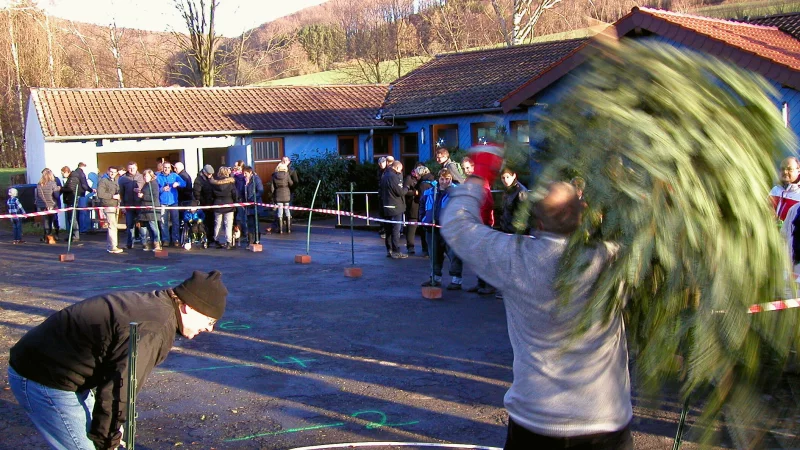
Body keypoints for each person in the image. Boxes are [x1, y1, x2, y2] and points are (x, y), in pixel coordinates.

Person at [442, 157, 632, 448]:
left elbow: (457, 225)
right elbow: (663, 236)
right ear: (583, 214)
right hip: (605, 421)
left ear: (538, 222)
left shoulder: (514, 257)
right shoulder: (612, 260)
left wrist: (479, 177)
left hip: (535, 421)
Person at [8, 270, 228, 450]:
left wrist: (112, 430)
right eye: (209, 320)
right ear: (188, 306)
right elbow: (120, 388)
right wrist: (107, 440)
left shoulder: (159, 306)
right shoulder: (153, 328)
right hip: (44, 376)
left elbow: (116, 377)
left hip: (62, 369)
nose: (209, 328)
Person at [420, 168, 463, 288]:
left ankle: (456, 280)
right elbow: (422, 205)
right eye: (442, 179)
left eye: (447, 179)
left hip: (450, 230)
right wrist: (423, 219)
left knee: (454, 254)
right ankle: (435, 278)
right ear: (438, 179)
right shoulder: (430, 191)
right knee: (434, 254)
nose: (444, 181)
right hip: (432, 229)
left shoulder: (456, 192)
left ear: (451, 179)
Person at [462, 154, 496, 295]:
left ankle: (489, 285)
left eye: (468, 167)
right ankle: (480, 282)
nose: (466, 170)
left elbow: (488, 202)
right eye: (464, 168)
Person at [380, 160, 409, 259]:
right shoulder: (393, 177)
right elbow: (400, 192)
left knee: (388, 230)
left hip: (386, 206)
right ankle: (396, 251)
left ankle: (389, 250)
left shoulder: (384, 175)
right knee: (395, 230)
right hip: (395, 207)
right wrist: (406, 188)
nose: (400, 172)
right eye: (400, 170)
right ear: (397, 168)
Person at [156, 161, 186, 247]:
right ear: (162, 168)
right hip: (163, 202)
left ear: (171, 168)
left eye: (168, 167)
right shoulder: (158, 177)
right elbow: (155, 190)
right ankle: (165, 240)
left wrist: (178, 183)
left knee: (175, 222)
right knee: (163, 222)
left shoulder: (175, 176)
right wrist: (162, 189)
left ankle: (176, 239)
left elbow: (184, 184)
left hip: (173, 202)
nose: (167, 169)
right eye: (165, 167)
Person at [61, 163, 92, 241]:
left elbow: (71, 189)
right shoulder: (74, 176)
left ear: (66, 172)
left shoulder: (73, 178)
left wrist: (61, 189)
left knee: (72, 218)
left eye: (62, 173)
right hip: (72, 199)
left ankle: (75, 235)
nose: (62, 175)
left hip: (72, 199)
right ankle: (73, 235)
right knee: (72, 218)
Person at [97, 165, 124, 254]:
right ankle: (112, 247)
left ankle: (112, 245)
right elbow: (100, 194)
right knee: (112, 226)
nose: (112, 173)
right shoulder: (103, 181)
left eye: (114, 172)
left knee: (113, 226)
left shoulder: (116, 181)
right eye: (111, 171)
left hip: (116, 205)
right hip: (108, 205)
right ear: (108, 171)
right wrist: (112, 196)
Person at [210, 166, 238, 249]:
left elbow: (211, 195)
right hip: (229, 205)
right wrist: (235, 202)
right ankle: (229, 242)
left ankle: (216, 240)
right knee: (228, 225)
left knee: (217, 224)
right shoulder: (231, 183)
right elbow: (234, 194)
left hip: (217, 204)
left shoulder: (214, 183)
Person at [119, 161, 145, 249]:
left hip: (140, 205)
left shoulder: (142, 177)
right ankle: (129, 244)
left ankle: (144, 243)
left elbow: (146, 191)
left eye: (133, 168)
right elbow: (121, 193)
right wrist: (122, 206)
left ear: (137, 168)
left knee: (142, 224)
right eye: (130, 168)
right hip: (128, 205)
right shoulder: (123, 179)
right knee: (129, 225)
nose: (131, 170)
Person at [138, 169, 162, 251]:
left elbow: (154, 197)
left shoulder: (154, 184)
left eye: (147, 176)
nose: (145, 177)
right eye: (144, 176)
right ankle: (150, 243)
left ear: (151, 176)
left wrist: (142, 196)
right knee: (147, 228)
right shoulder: (146, 184)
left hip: (152, 210)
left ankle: (157, 244)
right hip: (145, 210)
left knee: (154, 228)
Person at [34, 168, 61, 243]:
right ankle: (54, 236)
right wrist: (58, 189)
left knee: (46, 222)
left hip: (42, 205)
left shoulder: (39, 184)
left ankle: (47, 237)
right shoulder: (52, 183)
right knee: (52, 220)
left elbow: (38, 195)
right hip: (51, 205)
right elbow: (56, 195)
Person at [771, 156, 800, 223]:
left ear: (798, 171)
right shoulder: (775, 190)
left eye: (790, 169)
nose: (785, 172)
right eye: (782, 169)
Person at [242, 166, 264, 244]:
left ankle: (257, 240)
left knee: (255, 224)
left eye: (246, 173)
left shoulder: (256, 180)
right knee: (250, 223)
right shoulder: (244, 181)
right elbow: (242, 192)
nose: (244, 175)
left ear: (250, 172)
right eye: (243, 173)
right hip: (247, 206)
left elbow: (260, 191)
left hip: (255, 206)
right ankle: (250, 241)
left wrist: (252, 199)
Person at [271, 162, 294, 234]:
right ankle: (288, 229)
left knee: (280, 212)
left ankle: (280, 230)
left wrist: (273, 195)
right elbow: (291, 183)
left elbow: (272, 187)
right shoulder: (287, 175)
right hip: (286, 194)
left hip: (278, 195)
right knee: (287, 211)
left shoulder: (274, 175)